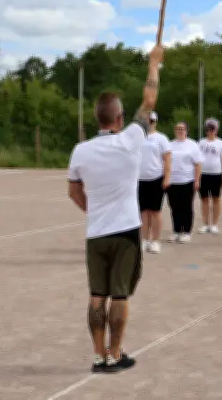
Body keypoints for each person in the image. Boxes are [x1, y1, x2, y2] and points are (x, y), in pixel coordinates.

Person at [66, 44, 164, 374]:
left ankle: (97, 355)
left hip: (96, 232)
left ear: (97, 118)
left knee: (97, 294)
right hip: (124, 231)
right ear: (119, 118)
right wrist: (154, 64)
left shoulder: (80, 151)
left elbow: (73, 192)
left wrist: (92, 211)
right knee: (120, 296)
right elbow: (149, 101)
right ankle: (115, 352)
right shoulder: (131, 139)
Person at [137, 112, 171, 254]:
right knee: (144, 212)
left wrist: (167, 177)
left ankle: (156, 241)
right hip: (140, 179)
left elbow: (167, 159)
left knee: (155, 212)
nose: (149, 122)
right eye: (147, 120)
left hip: (156, 178)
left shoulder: (161, 138)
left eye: (151, 120)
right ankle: (145, 240)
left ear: (155, 122)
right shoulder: (138, 138)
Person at [166, 122, 202, 243]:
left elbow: (198, 164)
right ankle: (176, 231)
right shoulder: (170, 145)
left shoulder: (192, 145)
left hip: (187, 181)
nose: (180, 131)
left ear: (186, 130)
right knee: (174, 207)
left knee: (186, 207)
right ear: (175, 131)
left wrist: (197, 180)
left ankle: (186, 231)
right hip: (172, 181)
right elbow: (165, 162)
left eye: (182, 129)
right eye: (178, 129)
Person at [198, 118, 222, 234]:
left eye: (213, 128)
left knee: (216, 198)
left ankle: (215, 224)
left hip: (216, 173)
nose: (210, 131)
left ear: (216, 130)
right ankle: (206, 224)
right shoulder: (201, 142)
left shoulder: (221, 143)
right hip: (203, 174)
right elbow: (197, 159)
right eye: (208, 128)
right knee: (204, 199)